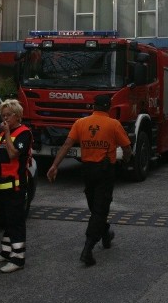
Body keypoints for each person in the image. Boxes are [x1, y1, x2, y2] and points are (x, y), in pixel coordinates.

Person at [47, 94, 132, 266]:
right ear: (108, 107)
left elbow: (67, 145)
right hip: (105, 171)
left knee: (96, 208)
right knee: (100, 210)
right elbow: (127, 147)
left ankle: (106, 234)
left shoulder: (80, 123)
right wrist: (127, 161)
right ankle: (88, 249)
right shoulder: (114, 124)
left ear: (93, 106)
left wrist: (54, 166)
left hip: (87, 171)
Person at [0, 99, 32, 273]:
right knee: (5, 219)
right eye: (2, 115)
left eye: (7, 115)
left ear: (17, 116)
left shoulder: (23, 133)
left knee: (16, 221)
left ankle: (18, 259)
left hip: (15, 186)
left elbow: (13, 154)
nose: (4, 119)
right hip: (1, 184)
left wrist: (5, 134)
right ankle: (6, 252)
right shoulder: (4, 132)